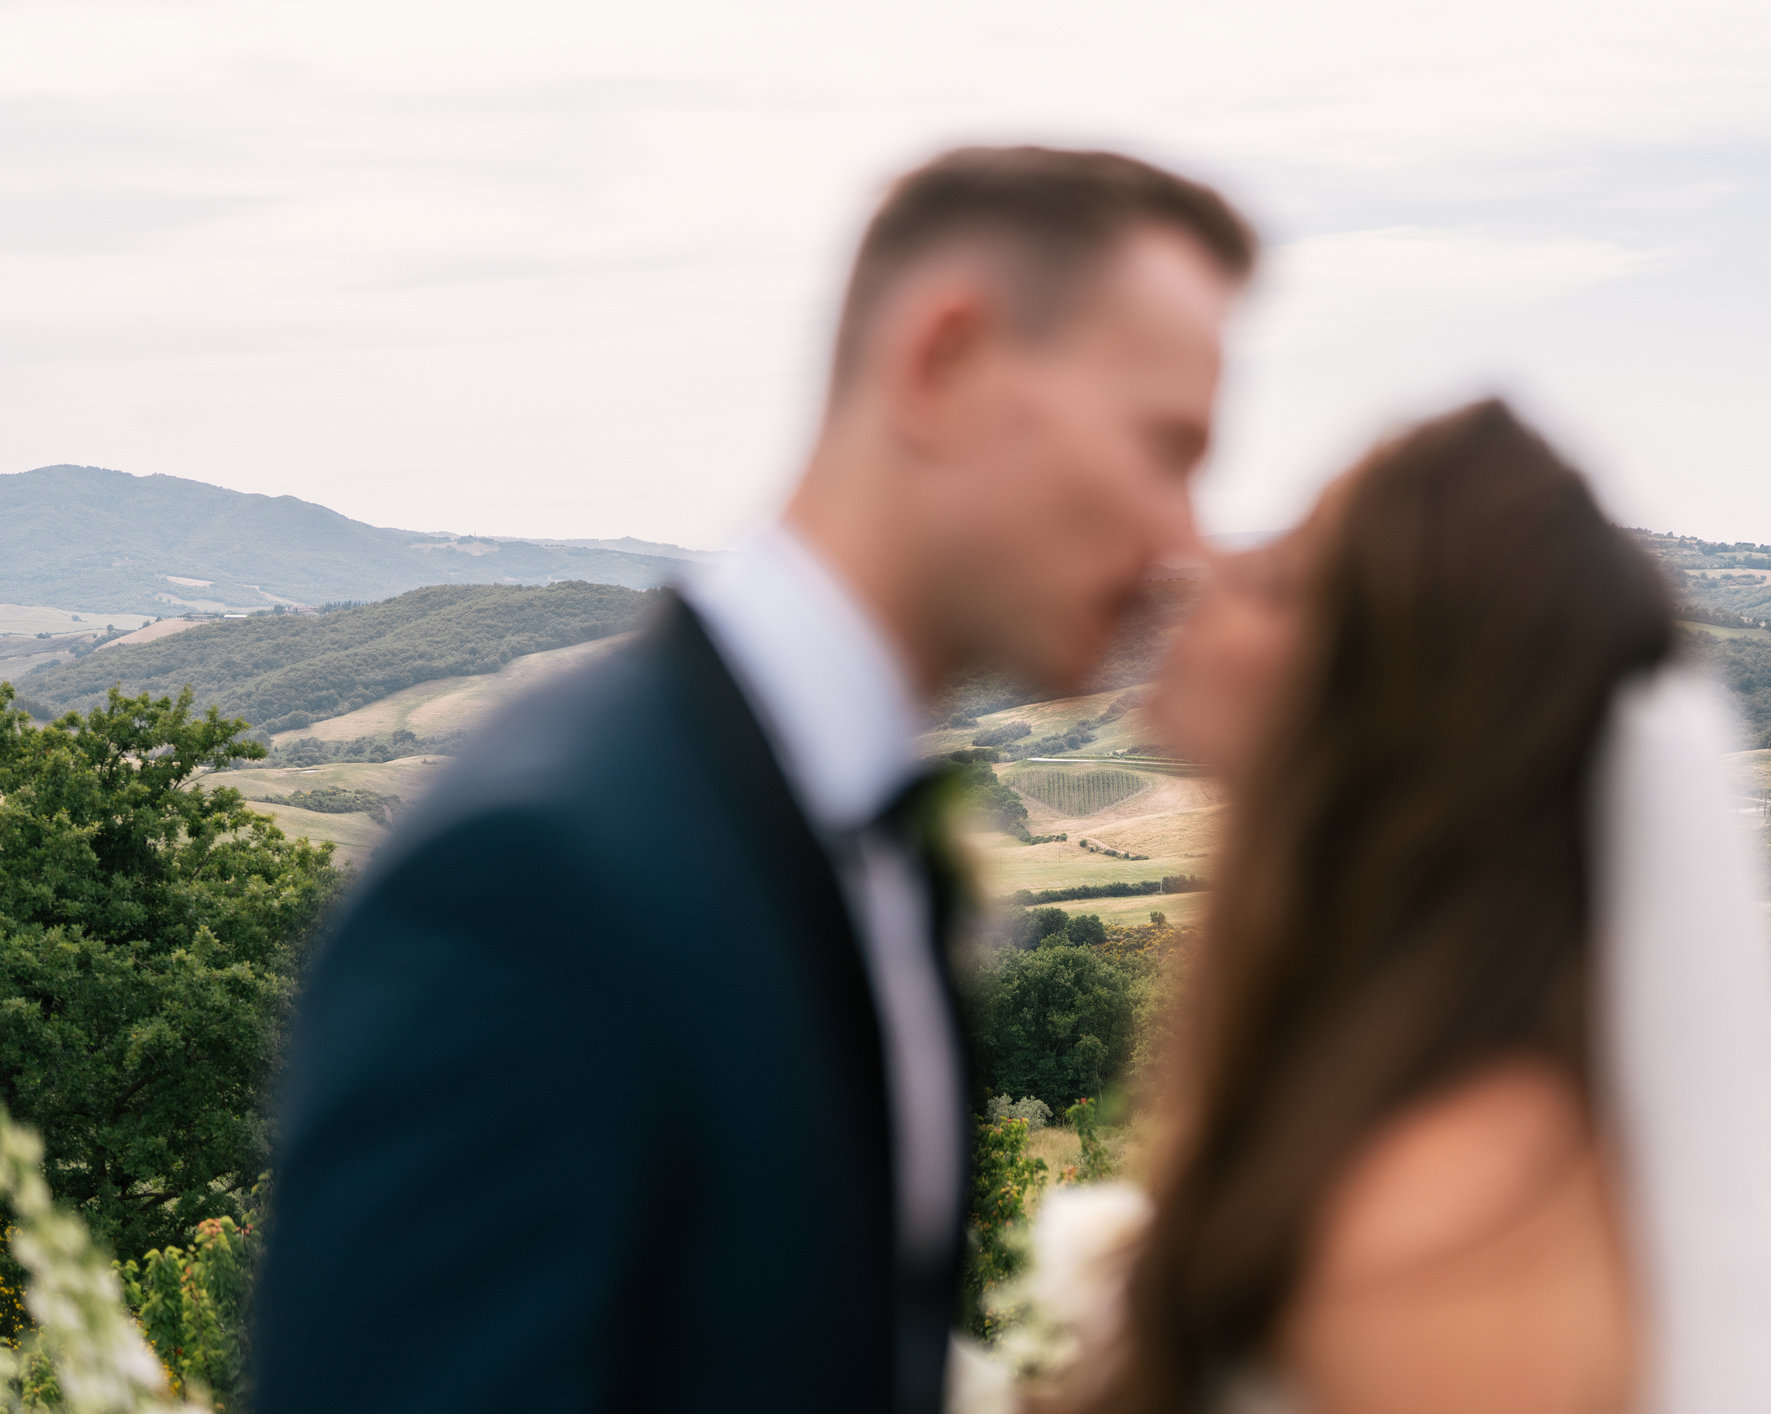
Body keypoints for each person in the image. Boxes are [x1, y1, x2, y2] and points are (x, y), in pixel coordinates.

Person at [251, 147, 1255, 1414]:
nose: (1184, 539)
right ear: (945, 362)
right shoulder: (534, 875)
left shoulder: (874, 843)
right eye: (1165, 447)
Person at [1061, 401, 1771, 1413]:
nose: (1203, 563)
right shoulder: (1387, 1103)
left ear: (1389, 714)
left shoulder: (1459, 1225)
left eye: (1278, 579)